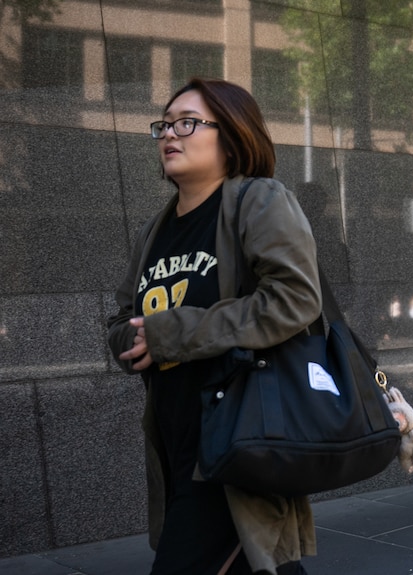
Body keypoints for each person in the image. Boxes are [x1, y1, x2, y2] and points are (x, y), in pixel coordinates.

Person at [107, 77, 321, 575]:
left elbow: (295, 298)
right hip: (175, 438)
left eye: (187, 122)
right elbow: (122, 318)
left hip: (236, 439)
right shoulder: (152, 231)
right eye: (163, 124)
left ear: (231, 135)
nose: (169, 135)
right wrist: (134, 338)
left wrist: (169, 334)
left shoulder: (258, 201)